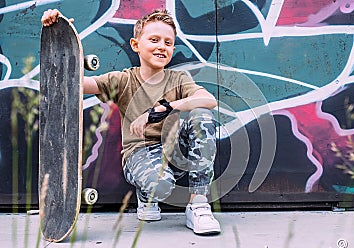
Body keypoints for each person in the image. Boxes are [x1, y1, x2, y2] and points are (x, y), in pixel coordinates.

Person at [41, 9, 221, 235]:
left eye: (168, 42)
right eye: (154, 40)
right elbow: (77, 84)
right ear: (136, 45)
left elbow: (208, 100)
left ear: (173, 49)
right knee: (161, 186)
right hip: (140, 153)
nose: (161, 46)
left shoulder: (179, 79)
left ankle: (198, 206)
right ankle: (146, 195)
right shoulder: (124, 80)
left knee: (202, 116)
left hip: (173, 150)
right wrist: (60, 37)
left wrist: (164, 108)